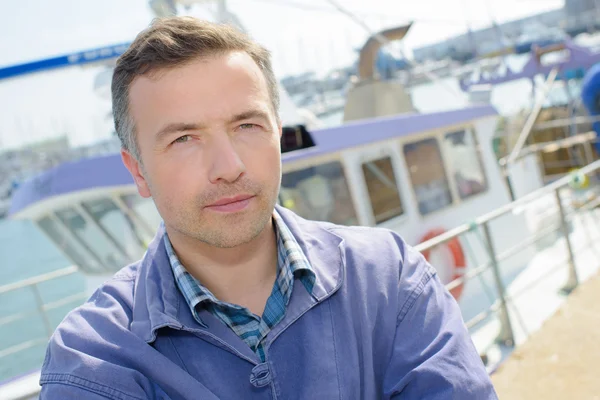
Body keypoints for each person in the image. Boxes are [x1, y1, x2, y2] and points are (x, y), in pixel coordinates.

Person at [39, 17, 498, 399]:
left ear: (278, 134)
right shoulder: (93, 359)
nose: (229, 166)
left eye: (247, 125)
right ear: (137, 170)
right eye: (183, 139)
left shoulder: (390, 278)